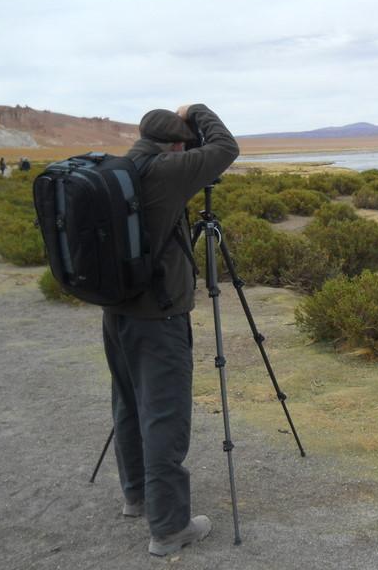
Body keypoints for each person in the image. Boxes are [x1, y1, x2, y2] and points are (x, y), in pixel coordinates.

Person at [101, 104, 239, 556]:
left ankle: (136, 496)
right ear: (177, 145)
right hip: (158, 318)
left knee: (129, 403)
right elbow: (226, 147)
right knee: (164, 415)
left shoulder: (120, 169)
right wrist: (197, 111)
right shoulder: (168, 171)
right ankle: (169, 529)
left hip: (117, 311)